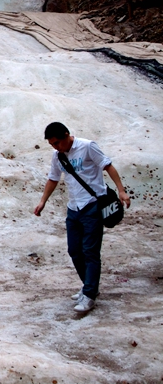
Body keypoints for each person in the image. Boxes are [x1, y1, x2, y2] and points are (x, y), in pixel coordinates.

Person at [34, 122, 130, 313]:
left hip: (92, 205)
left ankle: (90, 294)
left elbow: (107, 166)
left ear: (67, 135)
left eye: (57, 142)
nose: (56, 147)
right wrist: (43, 201)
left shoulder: (87, 146)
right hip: (74, 207)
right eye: (52, 144)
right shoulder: (58, 156)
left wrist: (121, 190)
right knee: (74, 250)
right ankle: (89, 286)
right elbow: (53, 178)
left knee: (90, 251)